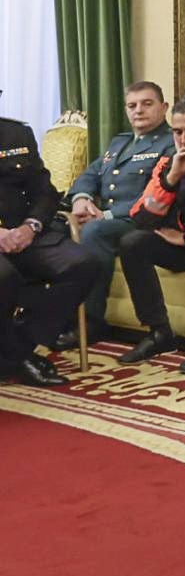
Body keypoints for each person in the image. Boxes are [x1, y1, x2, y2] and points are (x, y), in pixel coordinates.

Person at [56, 81, 174, 347]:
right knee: (52, 229)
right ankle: (52, 316)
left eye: (147, 104)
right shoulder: (119, 143)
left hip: (142, 222)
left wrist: (105, 217)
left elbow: (157, 195)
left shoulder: (171, 143)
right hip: (105, 218)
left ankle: (92, 321)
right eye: (132, 105)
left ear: (164, 107)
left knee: (95, 232)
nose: (138, 111)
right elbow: (90, 174)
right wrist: (82, 199)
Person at [116, 99, 185, 364]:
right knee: (133, 242)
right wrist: (171, 179)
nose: (184, 138)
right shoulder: (168, 164)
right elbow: (141, 217)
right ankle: (159, 333)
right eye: (178, 132)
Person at [0, 117, 95, 387]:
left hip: (24, 234)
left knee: (82, 264)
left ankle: (16, 348)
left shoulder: (16, 134)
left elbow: (45, 192)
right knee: (3, 277)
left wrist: (30, 227)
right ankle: (19, 357)